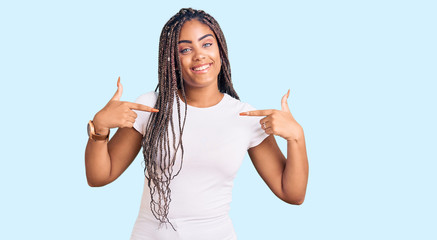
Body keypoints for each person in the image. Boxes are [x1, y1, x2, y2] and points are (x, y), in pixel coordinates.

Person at [85, 8, 308, 240]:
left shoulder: (245, 117)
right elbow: (99, 177)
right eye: (186, 49)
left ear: (221, 49)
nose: (199, 55)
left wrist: (297, 138)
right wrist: (100, 128)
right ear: (172, 60)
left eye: (207, 44)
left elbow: (292, 194)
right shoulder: (152, 108)